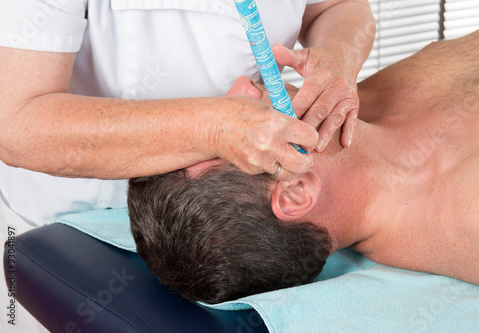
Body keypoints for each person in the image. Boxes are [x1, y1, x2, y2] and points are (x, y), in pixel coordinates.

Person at [0, 1, 375, 331]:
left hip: (233, 231)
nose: (243, 86)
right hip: (71, 217)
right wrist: (213, 128)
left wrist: (340, 52)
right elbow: (16, 125)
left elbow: (337, 6)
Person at [128, 16, 479, 304]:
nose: (242, 86)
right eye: (236, 135)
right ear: (296, 192)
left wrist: (342, 44)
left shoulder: (356, 105)